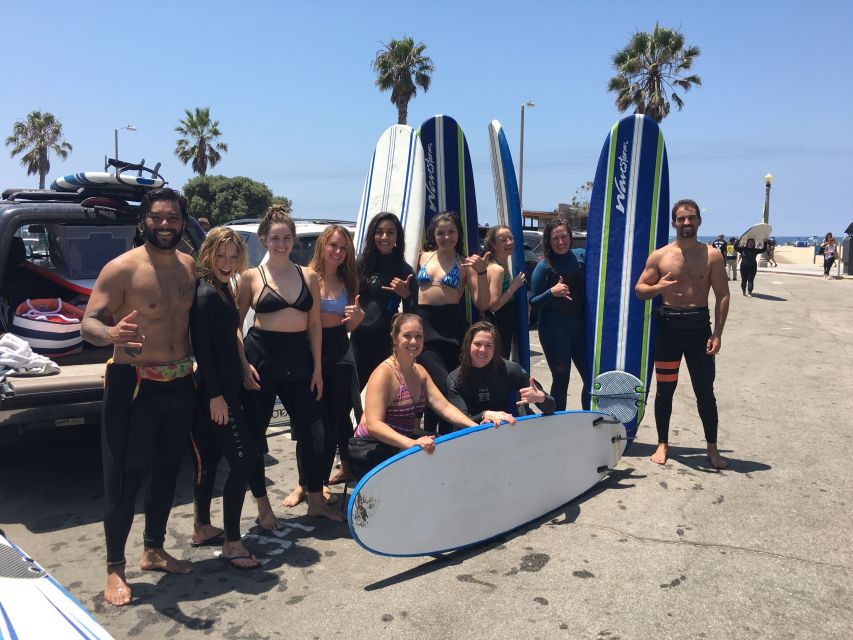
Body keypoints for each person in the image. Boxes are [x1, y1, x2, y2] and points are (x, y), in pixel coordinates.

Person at [82, 188, 197, 606]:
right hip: (134, 384)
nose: (165, 225)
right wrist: (111, 334)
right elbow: (88, 323)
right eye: (157, 217)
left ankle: (153, 549)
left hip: (180, 383)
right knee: (126, 478)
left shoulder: (189, 267)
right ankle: (115, 568)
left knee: (167, 470)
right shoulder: (121, 269)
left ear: (183, 222)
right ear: (143, 220)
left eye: (173, 218)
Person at [237, 205, 341, 522]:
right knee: (256, 435)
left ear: (293, 240)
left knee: (312, 432)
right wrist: (242, 364)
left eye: (286, 238)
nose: (281, 244)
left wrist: (319, 370)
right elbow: (235, 325)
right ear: (264, 240)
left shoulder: (307, 276)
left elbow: (313, 326)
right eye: (275, 238)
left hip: (300, 362)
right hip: (261, 360)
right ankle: (263, 506)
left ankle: (314, 499)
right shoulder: (251, 277)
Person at [190, 227, 275, 570]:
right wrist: (216, 396)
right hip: (215, 394)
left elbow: (230, 336)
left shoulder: (223, 287)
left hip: (223, 389)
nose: (226, 263)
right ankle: (232, 543)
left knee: (209, 460)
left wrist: (242, 367)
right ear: (207, 254)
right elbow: (203, 348)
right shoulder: (207, 294)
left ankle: (201, 527)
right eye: (220, 256)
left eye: (232, 256)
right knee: (243, 461)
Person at [635, 198, 730, 470]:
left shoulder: (712, 255)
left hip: (700, 329)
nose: (686, 223)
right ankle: (662, 443)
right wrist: (658, 288)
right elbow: (640, 289)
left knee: (705, 391)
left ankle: (712, 449)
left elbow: (723, 295)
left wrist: (718, 334)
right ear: (673, 223)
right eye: (681, 218)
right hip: (669, 330)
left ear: (699, 221)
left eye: (691, 218)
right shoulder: (660, 256)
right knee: (665, 391)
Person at [349, 314, 482, 479]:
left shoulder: (420, 372)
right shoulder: (383, 374)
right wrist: (410, 443)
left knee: (447, 450)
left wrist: (475, 428)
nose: (414, 342)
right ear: (395, 338)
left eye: (418, 336)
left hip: (402, 445)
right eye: (407, 336)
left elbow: (445, 408)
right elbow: (374, 425)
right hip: (372, 448)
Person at [416, 212, 490, 433]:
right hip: (426, 330)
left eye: (451, 232)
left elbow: (482, 303)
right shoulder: (422, 257)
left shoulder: (466, 264)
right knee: (438, 385)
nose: (446, 237)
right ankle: (434, 435)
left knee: (448, 386)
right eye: (440, 232)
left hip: (452, 331)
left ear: (459, 234)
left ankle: (445, 437)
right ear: (433, 234)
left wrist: (482, 272)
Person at [307, 225, 364, 485]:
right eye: (333, 245)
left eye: (343, 248)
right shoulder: (307, 275)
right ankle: (305, 483)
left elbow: (349, 325)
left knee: (337, 416)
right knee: (312, 420)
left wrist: (358, 319)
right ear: (322, 245)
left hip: (340, 350)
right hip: (311, 350)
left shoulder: (348, 279)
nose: (338, 252)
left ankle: (324, 480)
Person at [351, 212, 417, 391]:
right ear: (372, 235)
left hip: (384, 344)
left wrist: (407, 296)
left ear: (397, 236)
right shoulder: (361, 264)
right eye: (379, 232)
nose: (384, 237)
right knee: (351, 399)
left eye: (390, 232)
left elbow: (414, 315)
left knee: (382, 398)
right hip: (357, 341)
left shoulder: (404, 271)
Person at [530, 218, 589, 411]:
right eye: (555, 238)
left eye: (564, 236)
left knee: (590, 378)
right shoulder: (544, 267)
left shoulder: (581, 257)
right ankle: (558, 425)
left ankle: (590, 421)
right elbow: (534, 302)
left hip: (580, 328)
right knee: (561, 379)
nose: (560, 242)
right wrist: (551, 292)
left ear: (571, 238)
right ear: (548, 241)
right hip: (554, 331)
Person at [447, 321, 555, 423]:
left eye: (488, 345)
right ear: (468, 346)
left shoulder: (510, 370)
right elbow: (460, 422)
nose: (482, 350)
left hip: (505, 428)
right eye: (477, 344)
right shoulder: (455, 378)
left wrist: (541, 399)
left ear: (495, 349)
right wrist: (484, 415)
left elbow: (551, 406)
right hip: (471, 434)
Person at [482, 226, 526, 359]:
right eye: (503, 240)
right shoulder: (496, 269)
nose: (509, 242)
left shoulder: (503, 265)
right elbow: (494, 305)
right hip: (499, 325)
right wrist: (514, 285)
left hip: (505, 324)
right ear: (493, 245)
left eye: (511, 238)